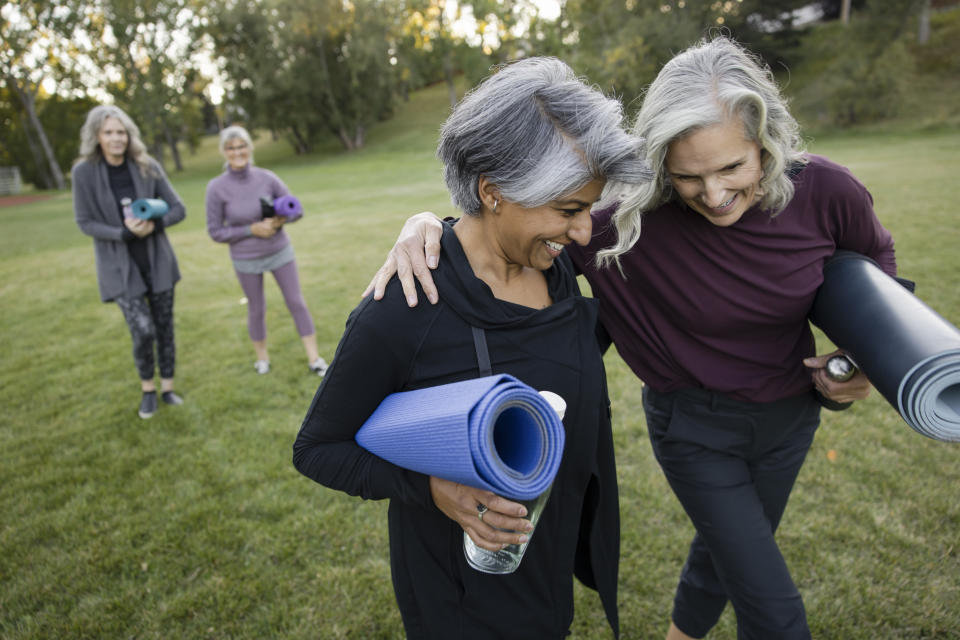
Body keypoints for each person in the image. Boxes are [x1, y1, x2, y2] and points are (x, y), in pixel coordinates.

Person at [363, 37, 897, 640]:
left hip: (792, 420)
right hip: (695, 430)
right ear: (660, 164)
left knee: (730, 554)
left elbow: (878, 271)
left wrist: (862, 362)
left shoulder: (827, 191)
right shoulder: (622, 225)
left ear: (765, 141)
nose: (715, 195)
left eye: (733, 168)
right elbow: (505, 221)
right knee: (774, 609)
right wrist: (428, 224)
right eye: (689, 176)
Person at [293, 57, 651, 639]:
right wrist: (433, 490)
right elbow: (317, 448)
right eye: (569, 211)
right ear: (493, 191)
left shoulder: (563, 270)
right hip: (457, 602)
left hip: (546, 572)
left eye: (589, 207)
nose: (586, 231)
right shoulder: (406, 306)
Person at [72, 105, 187, 419]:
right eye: (108, 132)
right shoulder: (83, 172)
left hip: (157, 262)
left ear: (129, 135)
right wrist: (122, 233)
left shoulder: (146, 165)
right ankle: (147, 389)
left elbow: (178, 208)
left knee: (164, 327)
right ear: (96, 136)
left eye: (121, 132)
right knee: (143, 329)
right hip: (119, 267)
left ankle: (167, 388)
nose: (116, 138)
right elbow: (84, 222)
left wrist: (154, 225)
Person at [205, 125, 328, 376]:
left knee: (296, 302)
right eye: (231, 148)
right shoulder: (216, 188)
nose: (237, 152)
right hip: (245, 259)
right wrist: (252, 230)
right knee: (256, 308)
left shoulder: (267, 178)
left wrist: (281, 220)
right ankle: (262, 359)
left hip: (279, 251)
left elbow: (297, 209)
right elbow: (216, 231)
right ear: (223, 152)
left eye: (242, 146)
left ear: (250, 148)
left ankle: (315, 358)